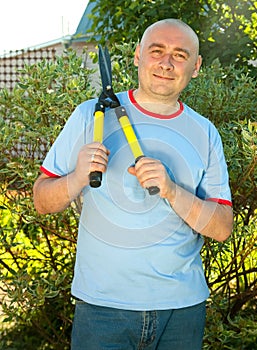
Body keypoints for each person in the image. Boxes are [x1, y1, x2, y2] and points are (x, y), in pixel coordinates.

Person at [33, 18, 233, 350]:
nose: (166, 63)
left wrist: (171, 189)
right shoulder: (87, 117)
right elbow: (42, 201)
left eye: (180, 55)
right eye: (157, 51)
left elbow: (222, 227)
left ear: (196, 67)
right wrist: (77, 177)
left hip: (181, 311)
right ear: (138, 55)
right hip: (102, 309)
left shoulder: (205, 132)